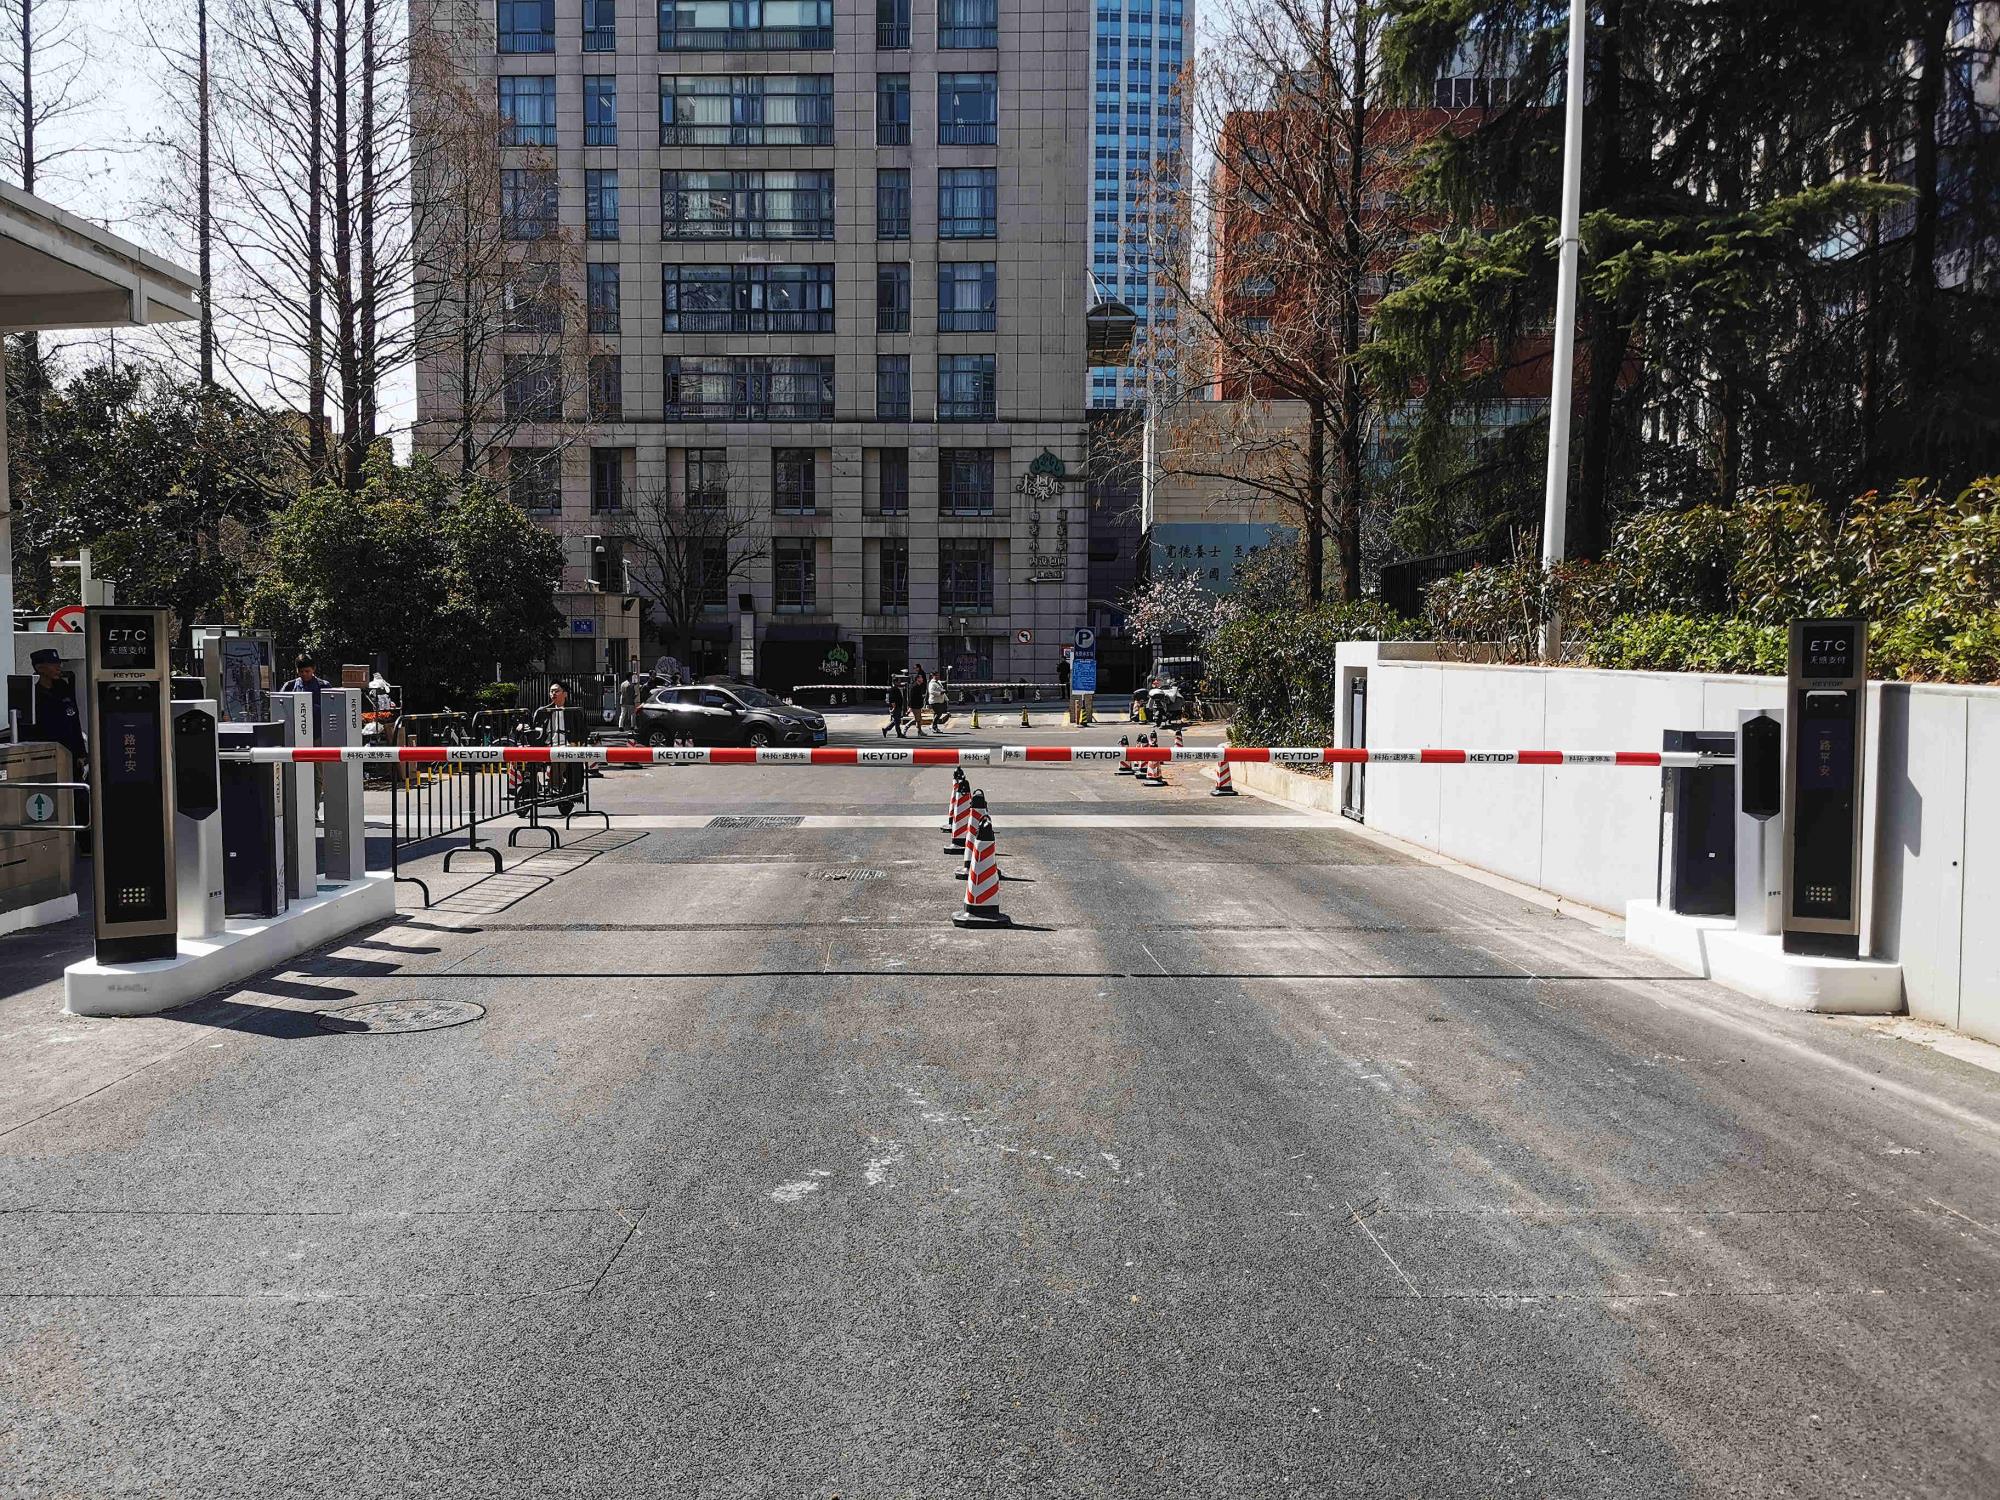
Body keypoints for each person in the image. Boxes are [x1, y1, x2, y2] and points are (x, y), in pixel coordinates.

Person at [22, 648, 86, 768]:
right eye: (52, 664)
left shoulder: (63, 688)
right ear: (40, 668)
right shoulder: (33, 695)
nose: (58, 667)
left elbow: (74, 721)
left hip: (70, 752)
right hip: (47, 756)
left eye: (58, 663)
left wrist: (81, 752)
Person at [908, 664, 930, 736]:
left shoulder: (919, 684)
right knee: (917, 719)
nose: (923, 679)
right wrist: (910, 706)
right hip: (915, 705)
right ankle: (906, 727)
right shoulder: (914, 686)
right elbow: (911, 697)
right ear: (918, 679)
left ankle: (919, 731)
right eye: (921, 678)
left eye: (915, 668)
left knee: (919, 718)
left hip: (918, 704)